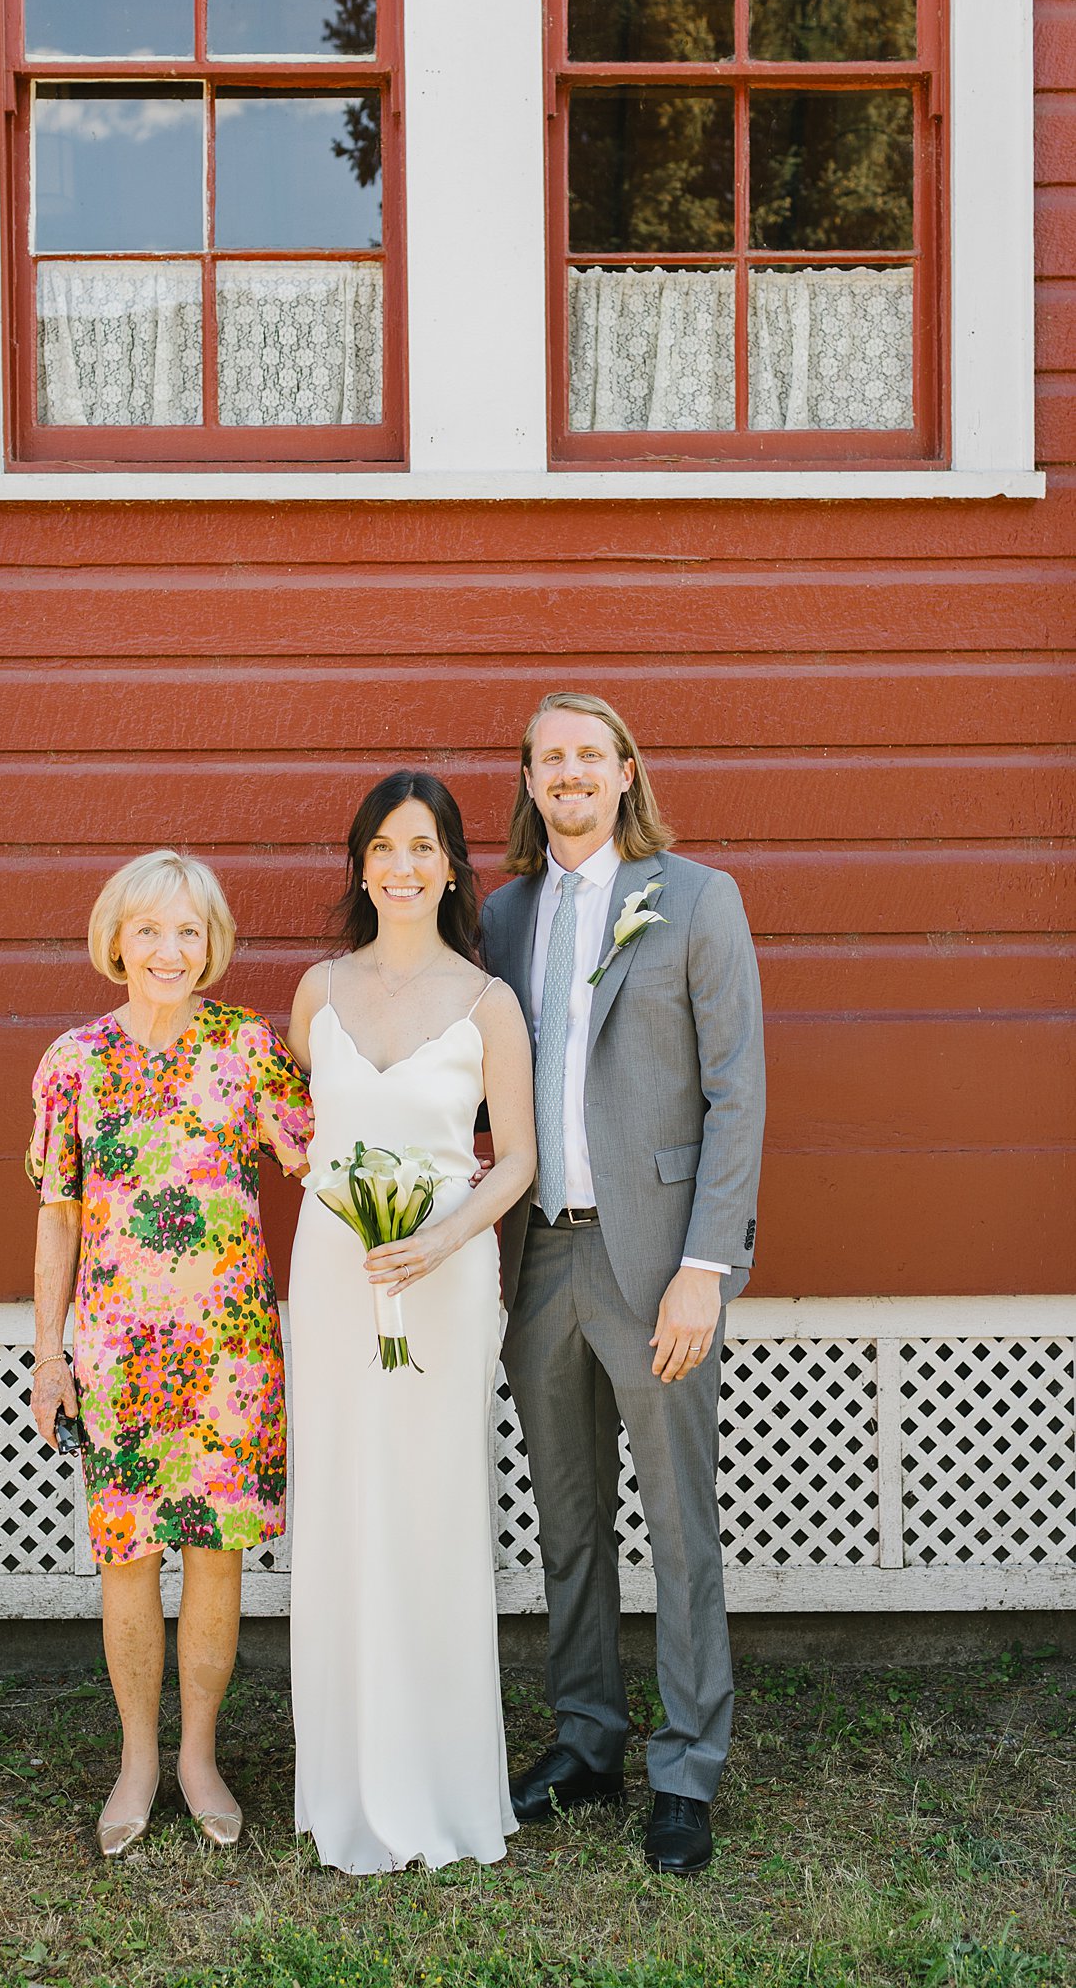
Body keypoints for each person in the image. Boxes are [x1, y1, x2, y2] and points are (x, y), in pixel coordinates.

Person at [480, 692, 765, 1877]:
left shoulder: (697, 897)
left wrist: (707, 1266)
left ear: (626, 770)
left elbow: (737, 1091)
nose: (569, 774)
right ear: (533, 781)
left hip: (655, 1261)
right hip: (539, 1253)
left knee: (681, 1524)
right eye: (549, 759)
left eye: (589, 754)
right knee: (569, 1518)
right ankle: (589, 1734)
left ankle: (687, 1765)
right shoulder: (499, 914)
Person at [26, 849, 313, 1857]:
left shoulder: (248, 1048)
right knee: (128, 1560)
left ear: (213, 945)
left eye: (189, 930)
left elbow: (326, 1156)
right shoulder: (75, 1062)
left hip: (230, 1355)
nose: (169, 949)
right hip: (117, 1360)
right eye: (149, 928)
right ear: (117, 939)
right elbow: (59, 1218)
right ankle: (138, 1759)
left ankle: (199, 1753)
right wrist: (47, 1352)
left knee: (217, 1556)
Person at [285, 771, 537, 1873]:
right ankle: (342, 1784)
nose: (399, 865)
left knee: (432, 1510)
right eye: (381, 846)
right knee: (342, 1504)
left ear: (449, 865)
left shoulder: (488, 1002)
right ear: (360, 863)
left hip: (443, 1277)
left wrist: (438, 1238)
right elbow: (310, 1129)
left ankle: (438, 1785)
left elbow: (518, 1157)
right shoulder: (317, 989)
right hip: (337, 1275)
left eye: (421, 846)